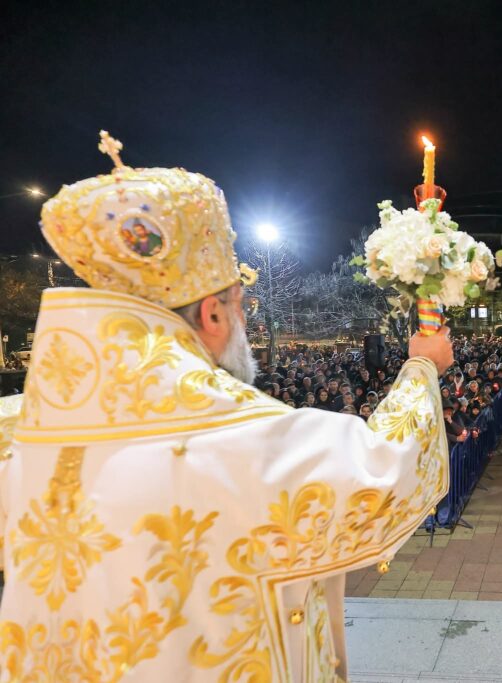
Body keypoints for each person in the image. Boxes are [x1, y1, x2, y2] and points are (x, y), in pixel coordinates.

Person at [0, 134, 455, 681]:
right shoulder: (246, 439)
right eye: (241, 306)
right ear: (213, 315)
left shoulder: (15, 430)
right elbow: (387, 475)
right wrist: (423, 367)